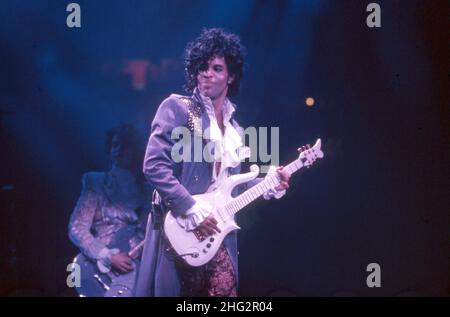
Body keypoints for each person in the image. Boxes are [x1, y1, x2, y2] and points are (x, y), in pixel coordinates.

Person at [135, 28, 290, 297]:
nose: (207, 73)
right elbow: (153, 166)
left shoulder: (235, 130)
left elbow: (229, 188)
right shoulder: (177, 108)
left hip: (218, 236)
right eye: (203, 67)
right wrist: (191, 207)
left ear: (231, 77)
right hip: (180, 230)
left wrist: (268, 185)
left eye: (217, 68)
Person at [68, 124, 151, 296]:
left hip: (137, 267)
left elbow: (150, 235)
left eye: (125, 146)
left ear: (136, 150)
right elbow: (76, 228)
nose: (119, 150)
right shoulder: (95, 182)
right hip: (100, 268)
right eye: (115, 145)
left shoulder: (149, 191)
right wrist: (107, 255)